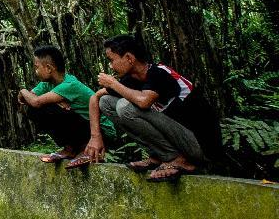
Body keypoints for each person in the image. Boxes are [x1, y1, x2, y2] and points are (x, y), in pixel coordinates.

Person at [80, 34, 221, 181]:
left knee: (124, 107)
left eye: (111, 60)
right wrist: (95, 137)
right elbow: (95, 98)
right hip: (179, 141)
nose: (110, 66)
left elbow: (144, 101)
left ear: (129, 58)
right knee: (106, 102)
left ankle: (176, 159)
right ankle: (158, 155)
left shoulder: (159, 73)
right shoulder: (131, 80)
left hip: (199, 146)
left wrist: (113, 84)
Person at [17, 45, 114, 164]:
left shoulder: (69, 84)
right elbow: (29, 101)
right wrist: (30, 96)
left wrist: (23, 91)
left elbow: (35, 102)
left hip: (101, 132)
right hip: (85, 126)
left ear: (48, 68)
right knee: (34, 110)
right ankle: (70, 149)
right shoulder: (47, 84)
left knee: (47, 109)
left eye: (37, 67)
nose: (35, 71)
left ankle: (85, 150)